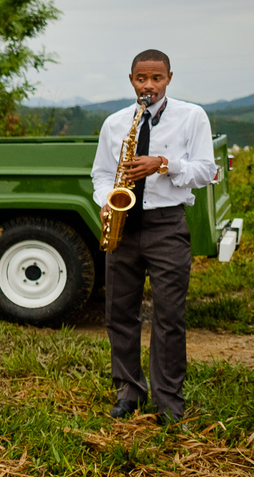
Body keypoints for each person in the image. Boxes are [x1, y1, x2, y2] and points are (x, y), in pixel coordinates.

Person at [91, 49, 216, 426]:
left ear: (169, 78)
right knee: (119, 315)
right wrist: (105, 201)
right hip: (125, 225)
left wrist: (162, 164)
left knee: (169, 317)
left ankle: (168, 401)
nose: (149, 86)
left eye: (156, 78)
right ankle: (128, 391)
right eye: (141, 79)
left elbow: (206, 170)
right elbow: (100, 173)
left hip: (167, 226)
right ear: (132, 79)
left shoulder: (192, 116)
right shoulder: (115, 123)